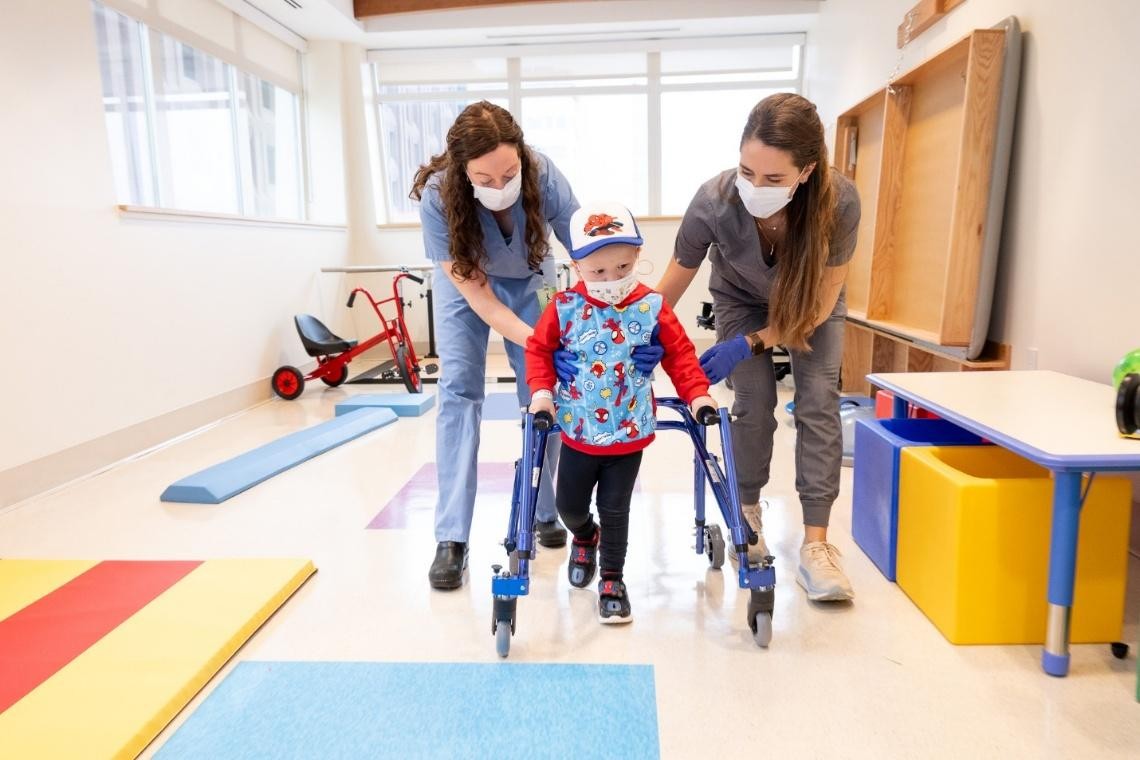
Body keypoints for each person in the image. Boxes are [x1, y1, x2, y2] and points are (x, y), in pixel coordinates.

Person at [654, 93, 861, 602]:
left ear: (806, 171)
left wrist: (753, 343)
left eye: (773, 178)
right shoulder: (713, 201)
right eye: (747, 172)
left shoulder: (839, 203)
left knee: (819, 401)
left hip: (812, 303)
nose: (755, 187)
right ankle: (745, 513)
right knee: (752, 400)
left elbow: (818, 304)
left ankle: (816, 545)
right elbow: (670, 287)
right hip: (741, 300)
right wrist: (634, 337)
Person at [410, 101, 574, 590]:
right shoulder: (438, 197)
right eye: (485, 178)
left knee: (543, 389)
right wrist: (539, 339)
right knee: (459, 391)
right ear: (462, 170)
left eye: (509, 174)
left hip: (533, 274)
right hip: (466, 285)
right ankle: (452, 537)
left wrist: (609, 315)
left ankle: (543, 508)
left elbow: (588, 251)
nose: (500, 186)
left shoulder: (543, 175)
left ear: (522, 156)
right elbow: (480, 298)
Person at [526, 202, 716, 623]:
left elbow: (681, 354)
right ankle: (584, 537)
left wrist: (698, 395)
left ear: (637, 256)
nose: (612, 280)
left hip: (629, 432)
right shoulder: (563, 307)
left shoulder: (652, 305)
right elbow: (539, 349)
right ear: (576, 266)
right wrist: (541, 392)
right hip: (578, 430)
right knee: (569, 507)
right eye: (598, 271)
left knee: (616, 509)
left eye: (623, 267)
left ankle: (613, 578)